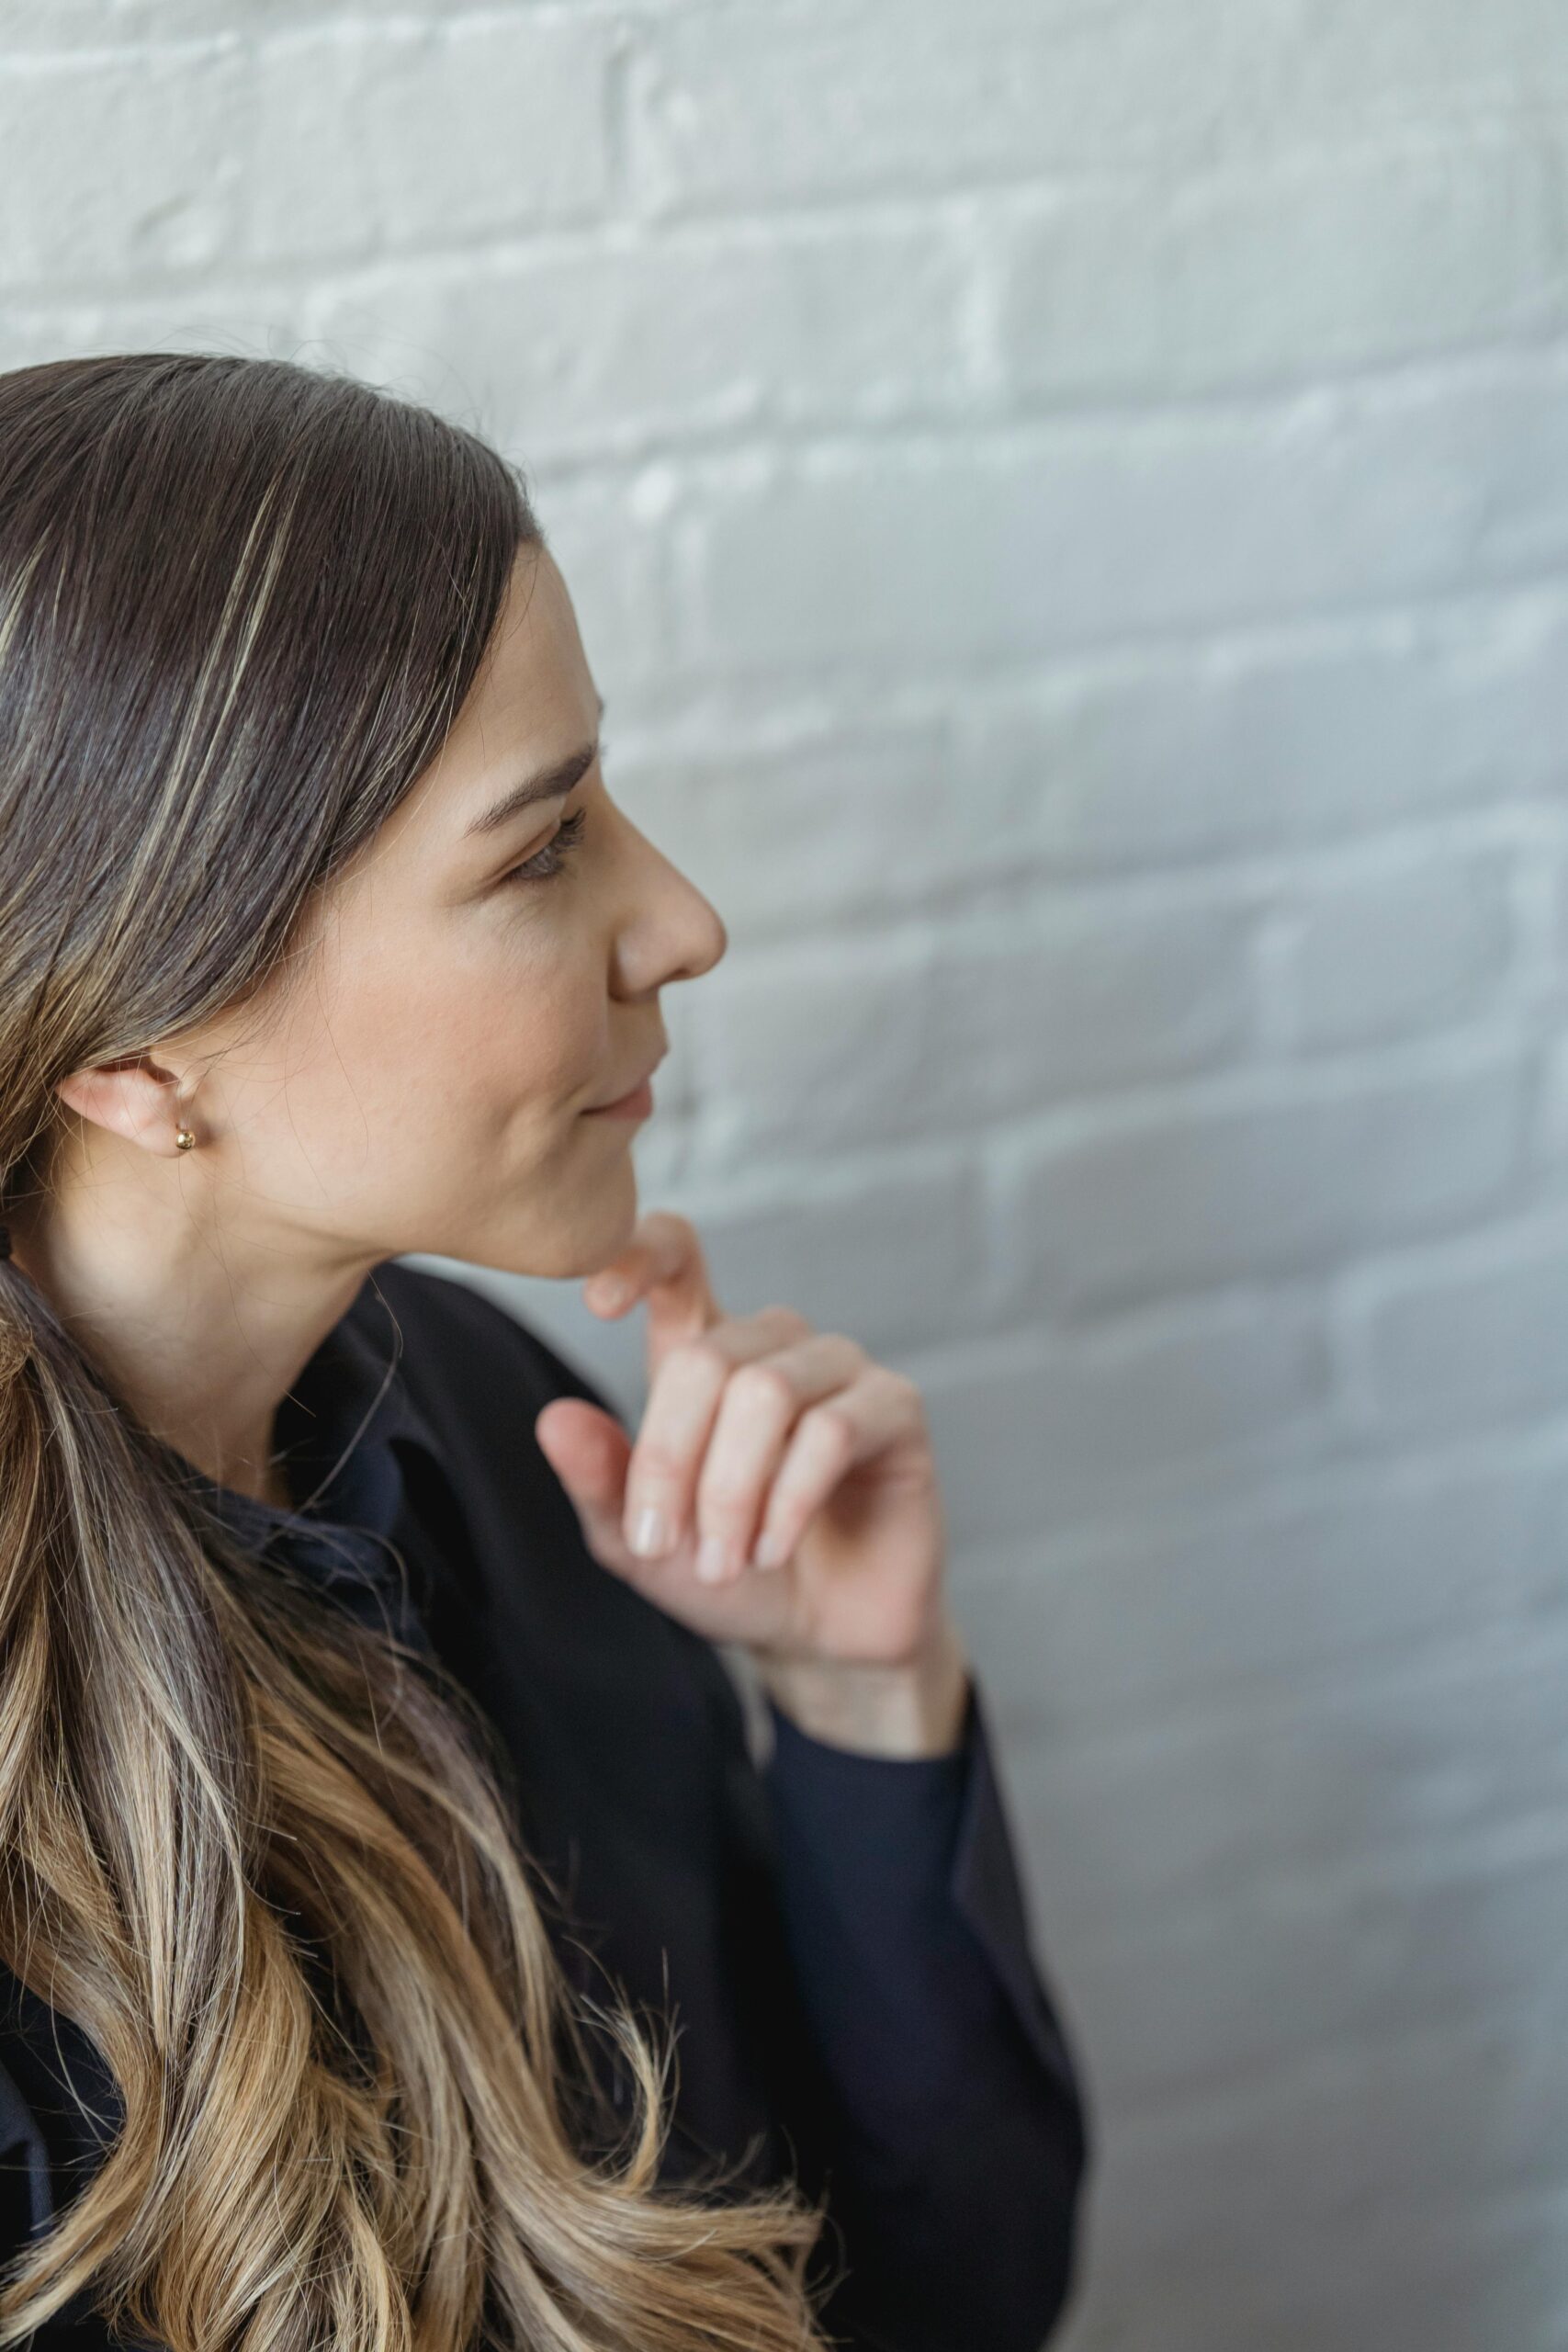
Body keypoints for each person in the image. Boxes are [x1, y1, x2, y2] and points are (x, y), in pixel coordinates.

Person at [0, 351, 1088, 2352]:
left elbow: (944, 2291)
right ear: (137, 1055)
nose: (679, 918)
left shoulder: (495, 1424)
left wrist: (855, 1696)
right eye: (537, 850)